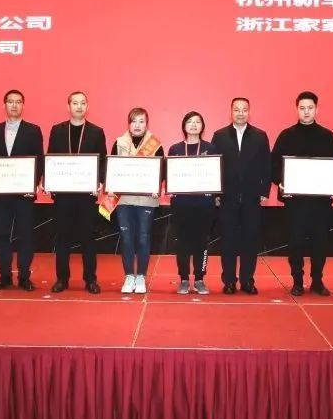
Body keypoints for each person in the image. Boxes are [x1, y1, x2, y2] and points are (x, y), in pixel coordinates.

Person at [271, 91, 333, 296]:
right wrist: (281, 183)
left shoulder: (327, 136)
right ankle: (297, 280)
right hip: (295, 202)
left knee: (320, 242)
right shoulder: (286, 136)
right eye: (302, 108)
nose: (306, 112)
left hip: (320, 202)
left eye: (310, 108)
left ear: (317, 110)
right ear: (297, 110)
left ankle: (317, 281)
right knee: (295, 242)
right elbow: (274, 164)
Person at [45, 91, 107, 294]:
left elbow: (103, 161)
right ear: (68, 107)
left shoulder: (96, 132)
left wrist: (100, 181)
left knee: (88, 239)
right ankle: (62, 279)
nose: (79, 106)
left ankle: (90, 280)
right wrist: (49, 181)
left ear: (87, 107)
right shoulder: (57, 130)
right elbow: (50, 159)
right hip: (63, 196)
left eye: (82, 103)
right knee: (62, 238)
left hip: (86, 196)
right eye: (75, 103)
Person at [0, 89, 43, 292]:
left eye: (18, 102)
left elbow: (39, 160)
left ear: (23, 105)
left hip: (24, 194)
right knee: (1, 234)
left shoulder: (33, 130)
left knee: (25, 235)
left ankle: (24, 277)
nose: (14, 105)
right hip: (0, 195)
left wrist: (34, 184)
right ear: (4, 105)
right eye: (10, 101)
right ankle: (5, 276)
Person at [210, 98, 271, 295]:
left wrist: (264, 191)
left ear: (249, 112)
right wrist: (216, 192)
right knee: (228, 240)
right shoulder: (219, 136)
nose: (240, 113)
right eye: (237, 110)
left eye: (244, 110)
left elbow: (266, 165)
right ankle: (229, 280)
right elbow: (214, 166)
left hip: (252, 197)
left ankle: (247, 280)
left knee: (250, 240)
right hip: (227, 197)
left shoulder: (260, 136)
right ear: (231, 112)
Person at [109, 108, 164, 295]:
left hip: (146, 200)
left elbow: (161, 170)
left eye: (141, 121)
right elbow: (111, 168)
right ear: (129, 124)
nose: (138, 125)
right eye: (134, 121)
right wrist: (110, 184)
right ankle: (128, 276)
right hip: (123, 199)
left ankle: (140, 276)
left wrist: (157, 186)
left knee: (143, 237)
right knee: (126, 238)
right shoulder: (118, 143)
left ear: (147, 124)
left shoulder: (155, 144)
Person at [167, 112, 218, 295]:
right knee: (182, 242)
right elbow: (169, 174)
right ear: (184, 125)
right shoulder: (175, 149)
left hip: (204, 204)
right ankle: (183, 279)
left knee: (201, 242)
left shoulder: (210, 148)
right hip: (181, 204)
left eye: (197, 122)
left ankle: (199, 279)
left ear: (202, 126)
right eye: (190, 121)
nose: (194, 125)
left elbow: (217, 174)